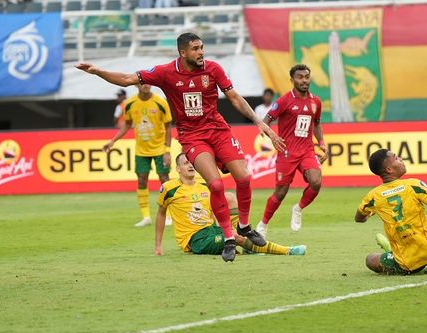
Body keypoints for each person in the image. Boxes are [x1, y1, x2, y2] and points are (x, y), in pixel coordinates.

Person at [75, 32, 287, 262]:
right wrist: (97, 72)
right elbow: (127, 79)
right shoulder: (165, 72)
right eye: (196, 48)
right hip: (193, 136)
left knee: (244, 178)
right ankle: (228, 237)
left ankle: (244, 226)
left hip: (218, 130)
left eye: (202, 47)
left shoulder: (213, 69)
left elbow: (234, 98)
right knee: (215, 184)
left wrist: (258, 122)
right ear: (183, 52)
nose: (201, 52)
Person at [154, 153, 306, 257]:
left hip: (210, 230)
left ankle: (244, 240)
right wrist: (158, 246)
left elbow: (213, 210)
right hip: (195, 239)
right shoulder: (169, 188)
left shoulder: (203, 185)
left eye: (191, 162)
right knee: (233, 238)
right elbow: (161, 213)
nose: (190, 165)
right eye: (185, 163)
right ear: (178, 169)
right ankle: (287, 250)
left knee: (229, 198)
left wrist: (220, 227)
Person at [256, 64, 326, 237]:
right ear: (292, 80)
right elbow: (264, 122)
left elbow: (316, 124)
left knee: (316, 181)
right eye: (300, 77)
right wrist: (273, 136)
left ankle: (298, 208)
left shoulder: (315, 101)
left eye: (307, 77)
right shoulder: (284, 101)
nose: (304, 80)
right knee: (280, 192)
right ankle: (263, 224)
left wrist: (322, 142)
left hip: (307, 150)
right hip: (287, 153)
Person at [103, 83, 173, 227]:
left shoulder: (160, 102)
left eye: (149, 83)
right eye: (143, 83)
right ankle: (146, 217)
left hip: (160, 148)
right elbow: (127, 124)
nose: (146, 85)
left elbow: (168, 127)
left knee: (164, 180)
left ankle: (169, 216)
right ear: (136, 85)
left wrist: (167, 150)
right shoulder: (130, 104)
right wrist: (113, 141)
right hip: (141, 150)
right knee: (141, 180)